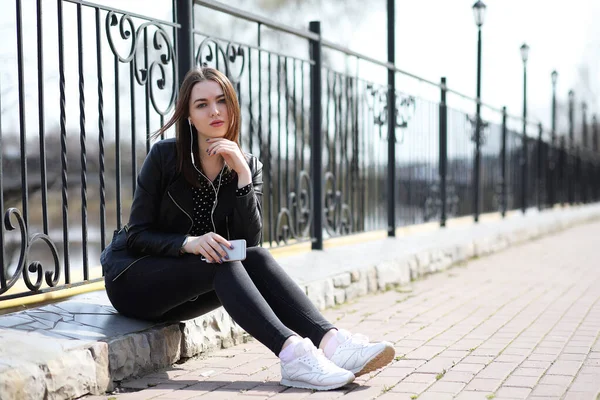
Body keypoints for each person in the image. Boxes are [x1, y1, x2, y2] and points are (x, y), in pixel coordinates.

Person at [100, 67, 395, 391]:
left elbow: (249, 245)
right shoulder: (164, 157)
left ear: (232, 107)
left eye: (221, 101)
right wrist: (190, 243)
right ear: (188, 114)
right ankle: (292, 354)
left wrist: (241, 174)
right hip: (135, 282)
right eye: (201, 104)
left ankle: (332, 344)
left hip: (188, 289)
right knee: (222, 263)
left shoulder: (247, 164)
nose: (214, 111)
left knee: (257, 258)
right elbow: (137, 234)